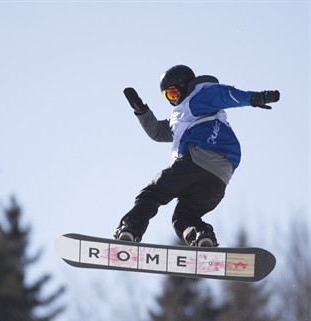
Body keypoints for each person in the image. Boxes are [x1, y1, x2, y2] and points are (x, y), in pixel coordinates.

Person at [115, 65, 280, 247]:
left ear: (185, 86)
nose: (173, 99)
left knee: (151, 194)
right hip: (218, 178)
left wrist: (255, 98)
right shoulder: (183, 116)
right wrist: (141, 111)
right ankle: (202, 237)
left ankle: (130, 229)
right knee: (184, 217)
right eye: (168, 96)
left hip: (197, 160)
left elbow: (225, 95)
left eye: (173, 92)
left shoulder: (199, 96)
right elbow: (160, 132)